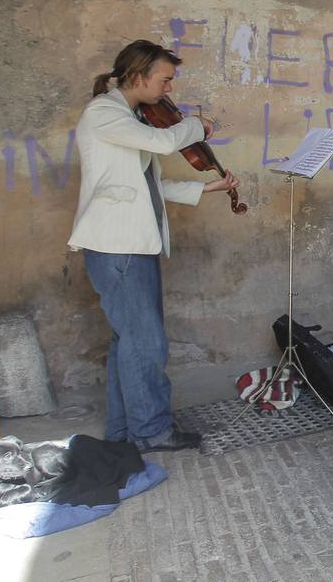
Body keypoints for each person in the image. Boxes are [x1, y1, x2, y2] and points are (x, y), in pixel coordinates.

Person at [67, 40, 238, 453]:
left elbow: (149, 187)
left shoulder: (127, 118)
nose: (169, 90)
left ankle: (126, 430)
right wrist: (199, 126)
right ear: (138, 77)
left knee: (131, 341)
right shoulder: (105, 113)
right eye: (165, 80)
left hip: (130, 244)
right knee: (145, 342)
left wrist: (206, 187)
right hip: (117, 246)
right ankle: (152, 431)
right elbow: (165, 143)